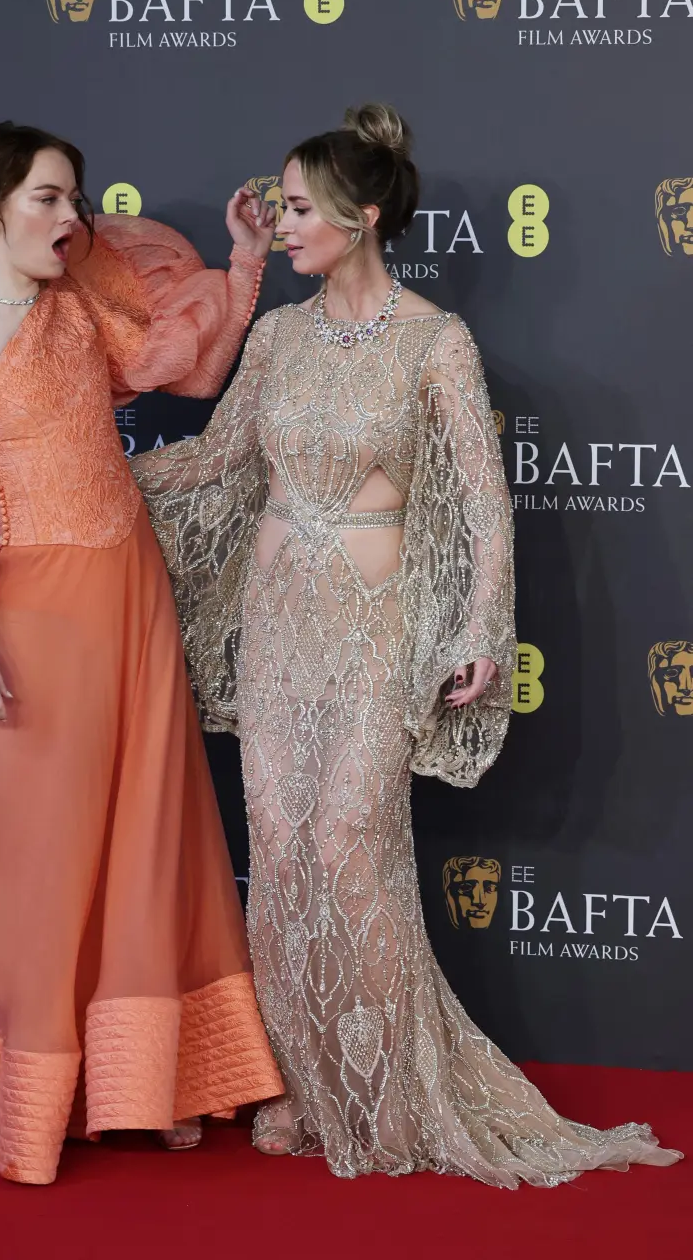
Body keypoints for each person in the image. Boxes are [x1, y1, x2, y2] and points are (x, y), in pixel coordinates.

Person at [132, 103, 681, 1186]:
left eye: (298, 209)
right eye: (281, 208)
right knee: (281, 853)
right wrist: (90, 480)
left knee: (349, 843)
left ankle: (385, 1085)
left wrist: (480, 621)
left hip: (376, 631)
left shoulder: (435, 340)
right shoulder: (280, 338)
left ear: (362, 214)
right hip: (280, 628)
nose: (283, 225)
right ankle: (292, 1084)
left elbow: (485, 502)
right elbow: (212, 465)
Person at [0, 121, 283, 1185]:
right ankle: (16, 1085)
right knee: (37, 844)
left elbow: (185, 368)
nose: (71, 219)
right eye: (48, 198)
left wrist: (243, 263)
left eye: (76, 200)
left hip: (133, 583)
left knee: (152, 824)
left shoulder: (81, 302)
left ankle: (147, 1082)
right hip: (37, 605)